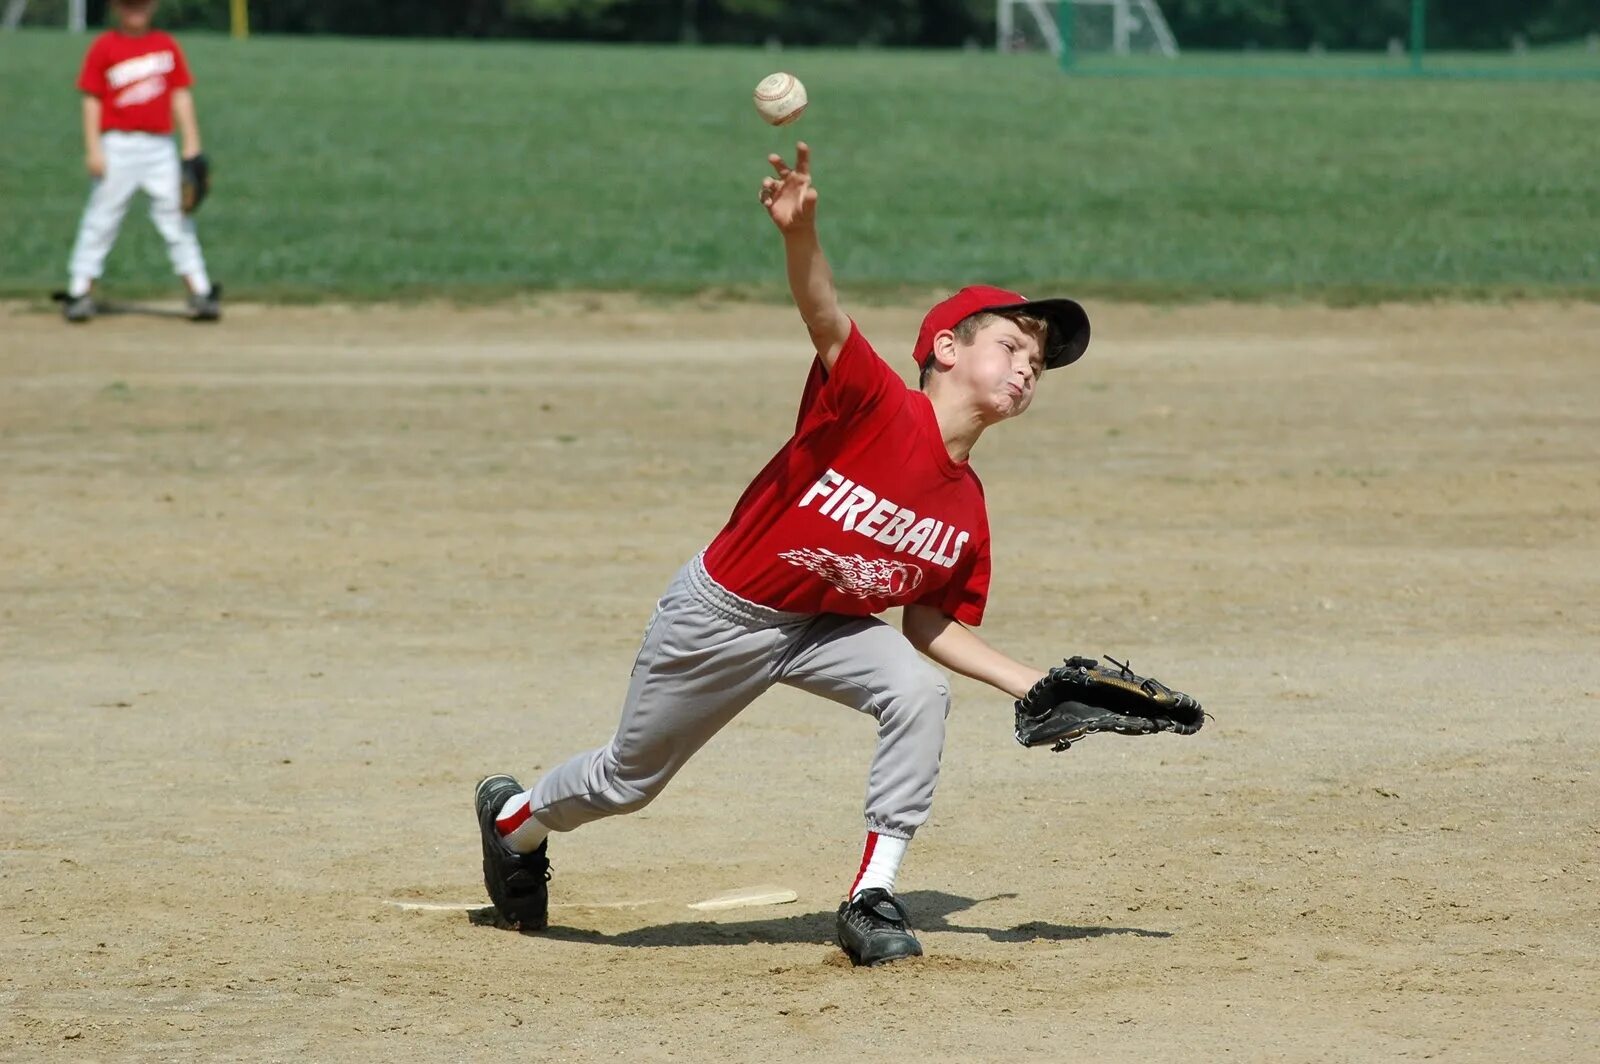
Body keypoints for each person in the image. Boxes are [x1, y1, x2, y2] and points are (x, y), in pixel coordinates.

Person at [475, 141, 1091, 967]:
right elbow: (824, 312)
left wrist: (1037, 684)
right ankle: (516, 824)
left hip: (825, 626)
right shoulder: (873, 400)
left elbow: (931, 625)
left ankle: (872, 894)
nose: (1027, 370)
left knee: (918, 692)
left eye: (1039, 365)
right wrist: (800, 235)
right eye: (1012, 347)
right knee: (629, 782)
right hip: (723, 615)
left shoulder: (968, 509)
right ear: (946, 347)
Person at [61, 0, 219, 323]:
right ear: (117, 8)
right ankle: (79, 291)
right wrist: (93, 148)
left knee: (176, 218)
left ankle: (200, 291)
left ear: (153, 6)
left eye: (142, 4)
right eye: (129, 5)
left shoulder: (166, 46)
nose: (136, 11)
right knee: (102, 219)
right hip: (117, 145)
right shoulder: (104, 47)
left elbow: (180, 94)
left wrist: (191, 143)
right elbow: (91, 100)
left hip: (160, 147)